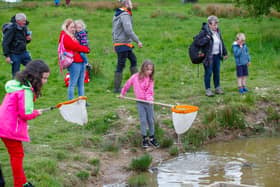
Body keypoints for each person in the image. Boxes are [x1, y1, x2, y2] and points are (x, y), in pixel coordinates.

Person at [0, 60, 50, 187]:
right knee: (17, 155)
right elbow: (25, 114)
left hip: (3, 124)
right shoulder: (26, 91)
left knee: (15, 154)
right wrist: (37, 112)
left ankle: (22, 182)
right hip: (10, 128)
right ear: (36, 76)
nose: (45, 81)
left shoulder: (17, 84)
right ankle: (20, 184)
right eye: (44, 78)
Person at [120, 60, 159, 148]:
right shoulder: (135, 77)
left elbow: (150, 91)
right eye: (147, 69)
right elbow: (127, 84)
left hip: (149, 103)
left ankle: (152, 138)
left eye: (151, 70)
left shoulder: (151, 79)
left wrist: (149, 99)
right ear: (143, 69)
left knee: (151, 120)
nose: (149, 72)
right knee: (143, 120)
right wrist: (123, 93)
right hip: (140, 102)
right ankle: (144, 139)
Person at [112, 0, 143, 93]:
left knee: (133, 60)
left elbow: (114, 31)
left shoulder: (117, 14)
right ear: (126, 4)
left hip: (122, 44)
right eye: (130, 2)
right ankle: (117, 88)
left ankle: (137, 84)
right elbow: (128, 30)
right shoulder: (125, 15)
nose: (132, 4)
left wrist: (114, 43)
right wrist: (137, 41)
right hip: (123, 44)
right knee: (121, 65)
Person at [196, 15, 228, 97]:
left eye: (217, 24)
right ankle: (208, 90)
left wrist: (224, 52)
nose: (216, 26)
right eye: (214, 24)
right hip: (208, 57)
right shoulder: (204, 32)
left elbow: (221, 42)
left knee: (216, 72)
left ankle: (217, 88)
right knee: (208, 72)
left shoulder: (217, 31)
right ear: (209, 24)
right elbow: (198, 42)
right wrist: (207, 38)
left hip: (217, 55)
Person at [59, 19, 90, 100]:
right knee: (72, 83)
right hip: (74, 62)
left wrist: (84, 49)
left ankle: (82, 101)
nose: (73, 29)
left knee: (81, 83)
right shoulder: (65, 35)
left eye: (74, 27)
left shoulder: (73, 35)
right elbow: (73, 46)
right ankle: (71, 101)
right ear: (66, 27)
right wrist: (86, 49)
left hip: (81, 61)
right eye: (71, 27)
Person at [2, 13, 32, 78]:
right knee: (16, 73)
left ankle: (29, 81)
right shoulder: (11, 30)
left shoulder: (24, 28)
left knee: (32, 67)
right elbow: (5, 43)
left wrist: (28, 39)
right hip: (14, 54)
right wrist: (7, 56)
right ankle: (15, 86)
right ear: (18, 21)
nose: (25, 22)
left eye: (25, 20)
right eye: (23, 21)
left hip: (24, 52)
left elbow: (25, 41)